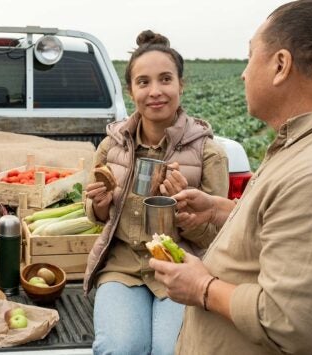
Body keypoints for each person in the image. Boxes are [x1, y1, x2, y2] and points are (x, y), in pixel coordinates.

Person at [149, 1, 312, 354]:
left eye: (251, 56)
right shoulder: (302, 146)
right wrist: (220, 211)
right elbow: (277, 227)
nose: (243, 73)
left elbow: (290, 323)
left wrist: (202, 287)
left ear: (281, 65)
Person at [83, 30, 229, 355]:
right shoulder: (111, 146)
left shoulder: (209, 153)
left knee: (170, 349)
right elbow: (95, 213)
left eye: (165, 79)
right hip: (122, 266)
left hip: (183, 267)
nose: (155, 92)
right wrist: (100, 204)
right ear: (130, 90)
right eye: (144, 82)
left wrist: (186, 212)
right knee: (120, 348)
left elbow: (217, 238)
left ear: (181, 85)